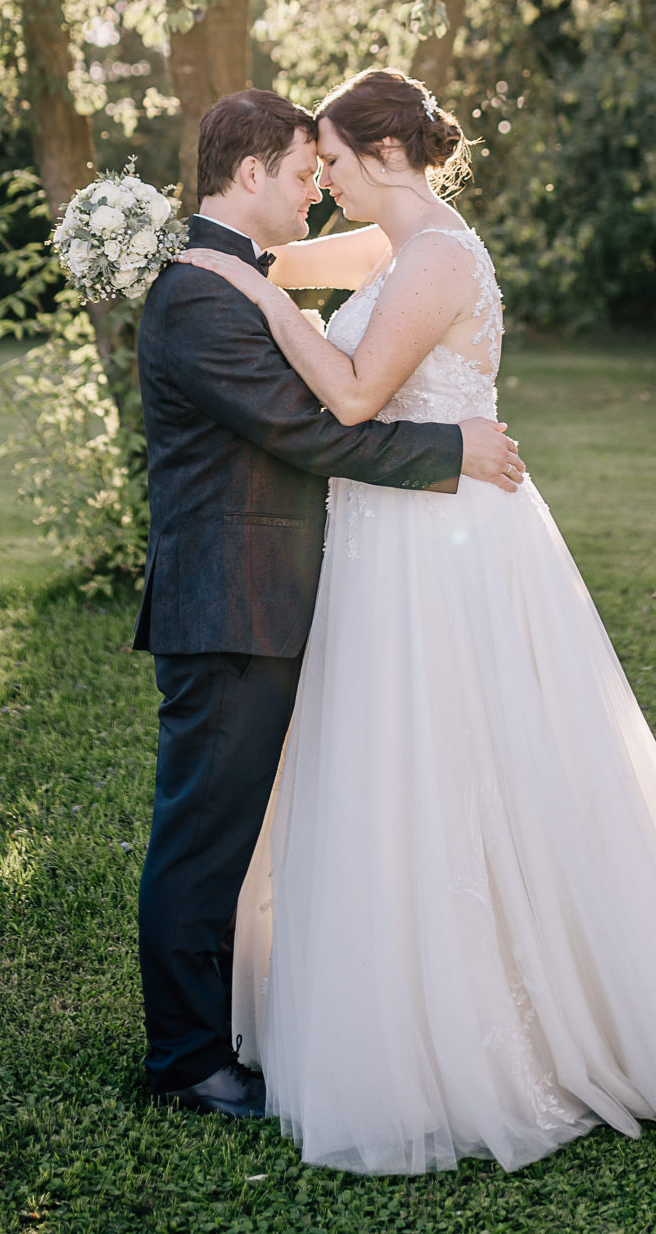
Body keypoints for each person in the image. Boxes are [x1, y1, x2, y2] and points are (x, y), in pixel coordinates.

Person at [176, 68, 656, 1176]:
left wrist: (257, 303)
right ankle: (400, 996)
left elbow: (346, 392)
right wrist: (209, 250)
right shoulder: (397, 240)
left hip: (441, 548)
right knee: (399, 769)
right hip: (393, 535)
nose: (322, 181)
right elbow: (278, 254)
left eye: (329, 159)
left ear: (383, 151)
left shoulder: (434, 257)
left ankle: (491, 1029)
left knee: (458, 762)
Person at [133, 87, 527, 1121]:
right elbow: (313, 430)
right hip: (232, 598)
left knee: (238, 827)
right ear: (252, 172)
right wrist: (452, 448)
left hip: (278, 590)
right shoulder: (199, 296)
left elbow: (370, 274)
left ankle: (228, 1026)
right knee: (204, 830)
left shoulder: (238, 274)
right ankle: (186, 1059)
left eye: (329, 166)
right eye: (305, 173)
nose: (318, 188)